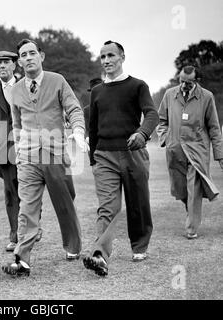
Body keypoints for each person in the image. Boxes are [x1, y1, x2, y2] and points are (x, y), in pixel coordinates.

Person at [1, 39, 88, 277]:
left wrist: (78, 131)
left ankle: (73, 245)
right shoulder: (16, 90)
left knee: (65, 202)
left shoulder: (57, 81)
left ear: (41, 56)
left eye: (32, 53)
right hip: (28, 157)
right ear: (19, 62)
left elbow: (74, 109)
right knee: (27, 207)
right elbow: (17, 124)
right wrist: (18, 151)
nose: (28, 58)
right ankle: (22, 258)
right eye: (23, 55)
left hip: (54, 153)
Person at [84, 41, 159, 276]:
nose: (106, 60)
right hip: (104, 155)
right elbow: (93, 128)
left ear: (122, 57)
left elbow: (152, 113)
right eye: (102, 56)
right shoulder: (97, 91)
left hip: (133, 153)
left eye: (111, 55)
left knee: (137, 203)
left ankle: (139, 245)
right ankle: (100, 254)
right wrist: (93, 160)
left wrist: (142, 133)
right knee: (108, 207)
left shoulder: (138, 86)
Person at [157, 65, 223, 239]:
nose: (184, 85)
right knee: (181, 189)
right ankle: (190, 212)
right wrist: (165, 138)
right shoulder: (170, 95)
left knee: (194, 188)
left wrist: (220, 154)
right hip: (175, 149)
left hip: (197, 150)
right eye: (181, 81)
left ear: (196, 81)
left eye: (188, 82)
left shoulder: (207, 97)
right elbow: (162, 120)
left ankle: (191, 228)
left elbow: (214, 128)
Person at [0, 50, 42, 252]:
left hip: (29, 145)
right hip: (5, 150)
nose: (1, 66)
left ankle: (33, 227)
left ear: (14, 65)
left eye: (5, 62)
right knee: (11, 194)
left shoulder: (28, 86)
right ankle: (15, 235)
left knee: (30, 191)